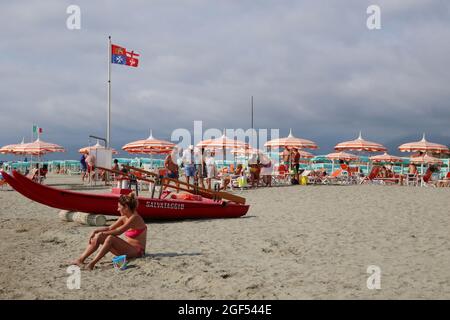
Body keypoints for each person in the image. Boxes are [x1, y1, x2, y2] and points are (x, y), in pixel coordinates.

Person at [70, 192, 147, 270]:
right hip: (126, 251)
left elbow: (119, 231)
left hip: (137, 252)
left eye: (119, 207)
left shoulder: (135, 218)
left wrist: (102, 233)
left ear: (126, 207)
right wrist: (96, 231)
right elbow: (110, 228)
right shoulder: (124, 217)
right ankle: (80, 260)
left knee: (110, 238)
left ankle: (92, 264)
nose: (117, 209)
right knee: (99, 236)